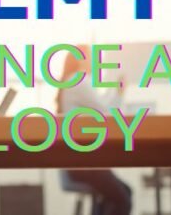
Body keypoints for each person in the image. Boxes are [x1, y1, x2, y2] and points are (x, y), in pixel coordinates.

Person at [56, 47, 133, 215]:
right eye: (92, 58)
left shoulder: (74, 82)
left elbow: (102, 106)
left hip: (80, 162)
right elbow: (107, 112)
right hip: (84, 164)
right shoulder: (78, 81)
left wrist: (116, 93)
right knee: (123, 197)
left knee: (120, 194)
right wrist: (119, 93)